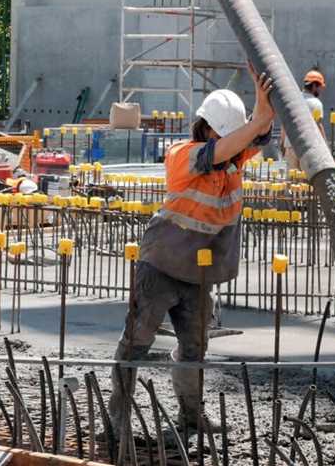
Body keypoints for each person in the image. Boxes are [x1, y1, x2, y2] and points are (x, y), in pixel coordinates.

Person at [108, 65, 274, 436]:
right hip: (161, 266)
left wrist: (264, 115)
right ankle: (117, 419)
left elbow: (256, 138)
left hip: (198, 274)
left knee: (194, 348)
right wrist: (256, 122)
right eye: (227, 134)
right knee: (137, 341)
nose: (235, 142)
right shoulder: (183, 154)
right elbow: (228, 146)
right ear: (208, 128)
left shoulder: (232, 163)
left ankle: (190, 416)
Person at [281, 69, 326, 171]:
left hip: (290, 146)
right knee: (305, 184)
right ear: (314, 86)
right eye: (319, 87)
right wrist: (325, 148)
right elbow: (317, 125)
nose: (320, 91)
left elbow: (284, 123)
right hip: (307, 149)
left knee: (291, 182)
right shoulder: (316, 103)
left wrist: (282, 143)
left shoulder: (292, 100)